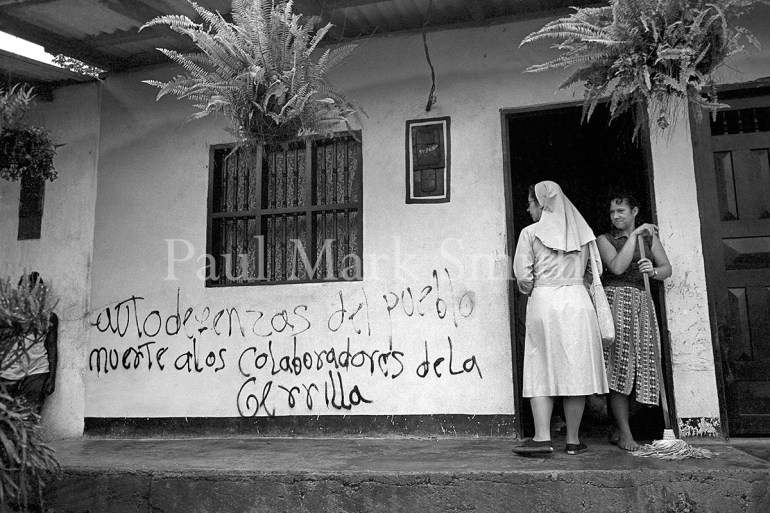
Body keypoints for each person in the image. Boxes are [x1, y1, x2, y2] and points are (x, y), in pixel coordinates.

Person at [512, 181, 609, 455]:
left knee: (540, 364)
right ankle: (573, 440)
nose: (528, 210)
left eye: (530, 204)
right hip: (578, 301)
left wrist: (535, 287)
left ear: (540, 204)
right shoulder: (583, 232)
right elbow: (595, 271)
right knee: (575, 367)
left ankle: (542, 437)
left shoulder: (530, 234)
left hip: (545, 300)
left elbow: (523, 277)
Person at [596, 190, 672, 451]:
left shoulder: (650, 239)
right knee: (619, 370)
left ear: (635, 211)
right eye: (612, 212)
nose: (615, 216)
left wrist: (653, 270)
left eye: (621, 211)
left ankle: (619, 425)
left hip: (642, 306)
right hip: (616, 306)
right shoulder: (604, 239)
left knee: (644, 370)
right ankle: (626, 433)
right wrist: (635, 236)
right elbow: (617, 267)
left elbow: (666, 268)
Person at [0, 272, 58, 412]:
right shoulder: (9, 315)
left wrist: (51, 377)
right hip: (9, 373)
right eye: (26, 289)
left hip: (37, 371)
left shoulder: (49, 317)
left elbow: (52, 347)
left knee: (30, 415)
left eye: (35, 289)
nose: (30, 292)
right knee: (8, 417)